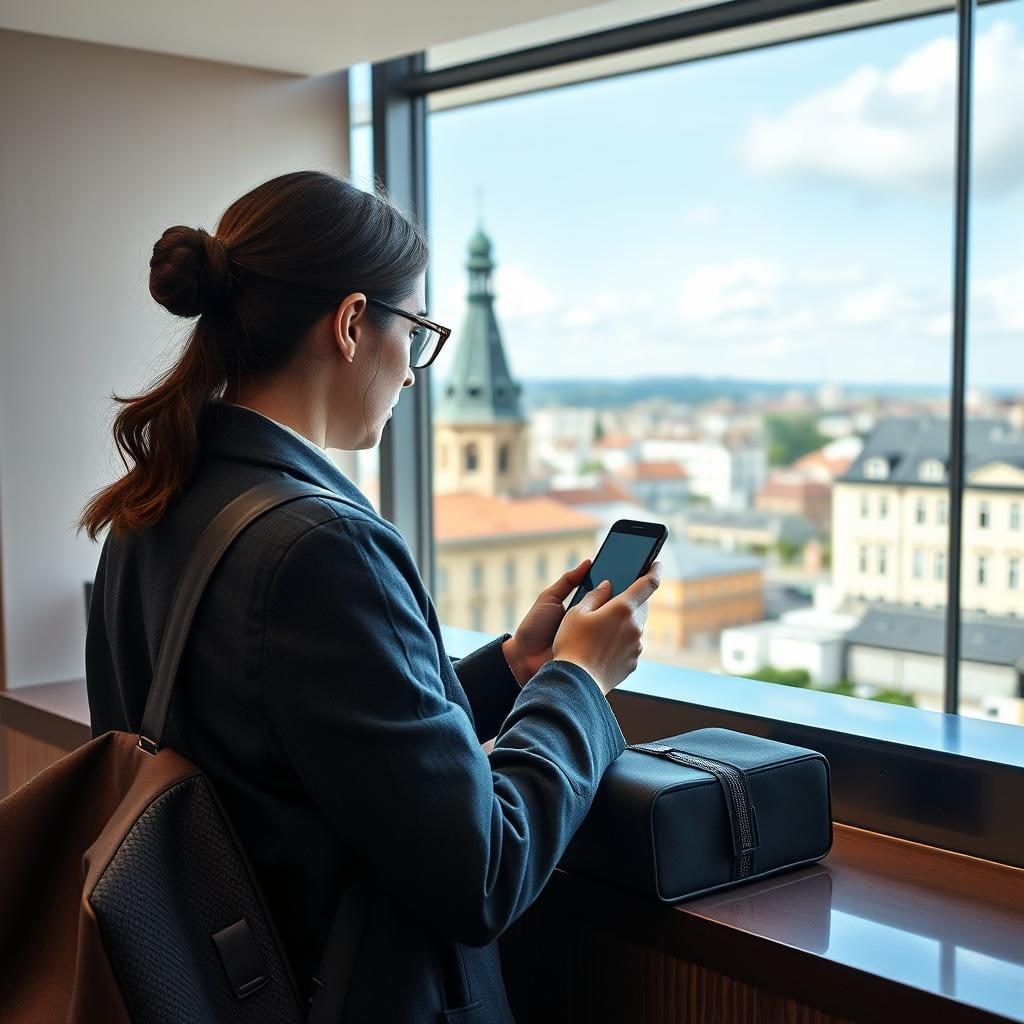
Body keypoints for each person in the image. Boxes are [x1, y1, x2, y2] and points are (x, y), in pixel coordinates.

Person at [79, 170, 661, 1024]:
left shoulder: (154, 504)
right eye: (418, 332)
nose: (416, 373)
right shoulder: (322, 544)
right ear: (351, 324)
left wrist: (510, 668)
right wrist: (577, 681)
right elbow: (482, 873)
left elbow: (303, 749)